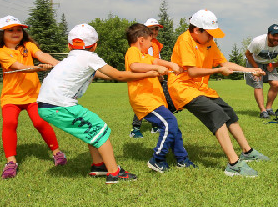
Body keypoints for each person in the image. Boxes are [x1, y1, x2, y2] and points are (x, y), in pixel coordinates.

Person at [36, 23, 157, 184]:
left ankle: (98, 165)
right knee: (100, 129)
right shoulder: (89, 57)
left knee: (94, 131)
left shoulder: (72, 58)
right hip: (59, 105)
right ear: (94, 46)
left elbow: (101, 74)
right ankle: (114, 173)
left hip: (46, 105)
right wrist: (149, 74)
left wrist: (135, 76)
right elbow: (117, 75)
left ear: (69, 45)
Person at [168, 9, 269, 178]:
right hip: (182, 88)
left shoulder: (209, 42)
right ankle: (233, 164)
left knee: (228, 111)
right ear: (196, 30)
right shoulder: (184, 40)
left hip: (200, 87)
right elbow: (192, 72)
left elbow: (224, 63)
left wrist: (250, 70)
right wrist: (218, 71)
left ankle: (247, 151)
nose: (212, 38)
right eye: (209, 34)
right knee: (216, 112)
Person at [0, 15, 66, 179]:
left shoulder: (28, 46)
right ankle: (11, 162)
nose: (16, 33)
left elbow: (42, 55)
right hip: (11, 97)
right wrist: (37, 68)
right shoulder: (1, 52)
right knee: (10, 123)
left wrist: (59, 64)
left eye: (18, 30)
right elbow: (19, 67)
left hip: (33, 95)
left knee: (40, 122)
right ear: (2, 34)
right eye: (10, 30)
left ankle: (57, 152)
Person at [124, 23, 195, 173]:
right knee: (170, 123)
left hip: (154, 100)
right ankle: (158, 159)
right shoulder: (133, 51)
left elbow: (156, 61)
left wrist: (171, 65)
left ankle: (182, 159)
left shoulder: (145, 56)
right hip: (144, 100)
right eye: (150, 41)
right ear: (141, 40)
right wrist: (156, 68)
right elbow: (134, 66)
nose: (151, 44)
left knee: (173, 128)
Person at [129, 18, 175, 138]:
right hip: (145, 78)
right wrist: (156, 69)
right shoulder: (140, 46)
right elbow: (139, 64)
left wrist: (166, 68)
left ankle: (156, 126)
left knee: (157, 99)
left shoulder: (155, 44)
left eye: (157, 29)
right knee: (144, 102)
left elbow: (156, 60)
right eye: (152, 29)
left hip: (154, 77)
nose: (155, 31)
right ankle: (136, 128)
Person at [245, 24, 278, 118]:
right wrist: (256, 68)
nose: (276, 38)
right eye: (274, 35)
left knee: (275, 84)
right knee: (258, 84)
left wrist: (274, 65)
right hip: (255, 62)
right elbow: (248, 54)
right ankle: (263, 111)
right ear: (268, 35)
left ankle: (269, 109)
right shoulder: (258, 42)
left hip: (269, 63)